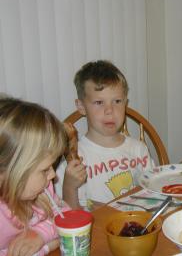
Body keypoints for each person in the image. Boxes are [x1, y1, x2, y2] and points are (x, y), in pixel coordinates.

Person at [55, 60, 154, 210]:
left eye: (117, 101)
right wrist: (70, 187)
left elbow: (154, 193)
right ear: (81, 107)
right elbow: (70, 218)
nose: (110, 110)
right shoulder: (73, 162)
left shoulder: (138, 149)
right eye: (99, 102)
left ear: (126, 103)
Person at [0, 96, 70, 256]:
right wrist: (48, 245)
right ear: (8, 172)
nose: (53, 175)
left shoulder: (42, 189)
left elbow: (65, 215)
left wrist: (40, 234)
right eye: (45, 169)